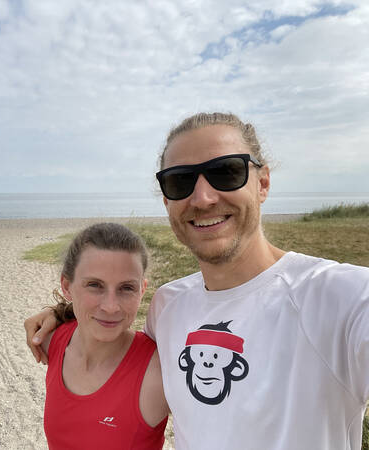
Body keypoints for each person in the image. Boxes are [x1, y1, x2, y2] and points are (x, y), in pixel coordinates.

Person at [25, 112, 369, 450]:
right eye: (180, 181)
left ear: (262, 183)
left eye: (226, 172)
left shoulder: (340, 296)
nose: (203, 198)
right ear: (167, 201)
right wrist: (64, 312)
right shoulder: (169, 304)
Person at [41, 222, 169, 449]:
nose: (111, 307)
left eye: (126, 288)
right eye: (94, 285)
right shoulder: (50, 341)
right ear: (67, 286)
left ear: (142, 289)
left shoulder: (160, 373)